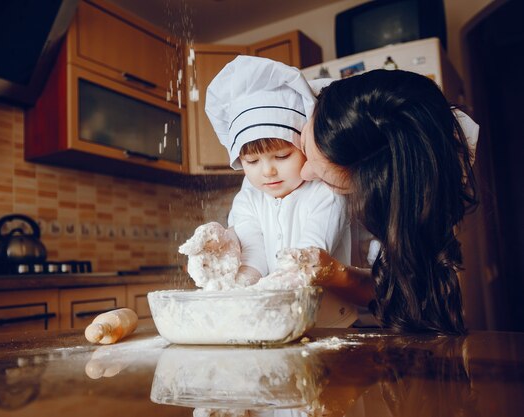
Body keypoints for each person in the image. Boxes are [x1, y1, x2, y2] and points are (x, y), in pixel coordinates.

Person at [298, 69, 479, 334]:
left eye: (329, 182)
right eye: (303, 146)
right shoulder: (328, 104)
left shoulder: (412, 190)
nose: (304, 174)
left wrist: (335, 274)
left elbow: (405, 295)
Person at [202, 55, 357, 328]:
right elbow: (253, 251)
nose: (267, 171)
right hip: (276, 321)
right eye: (252, 162)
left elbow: (311, 255)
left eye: (282, 156)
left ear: (306, 148)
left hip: (330, 323)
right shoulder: (248, 197)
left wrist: (267, 291)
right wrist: (241, 286)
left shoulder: (326, 192)